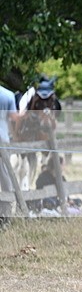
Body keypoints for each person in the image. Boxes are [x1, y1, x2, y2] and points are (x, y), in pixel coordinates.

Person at [0, 83, 19, 225]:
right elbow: (14, 118)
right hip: (3, 141)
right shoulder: (7, 94)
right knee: (5, 179)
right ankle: (5, 216)